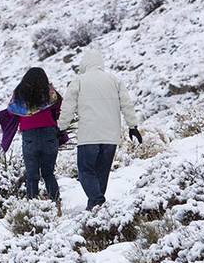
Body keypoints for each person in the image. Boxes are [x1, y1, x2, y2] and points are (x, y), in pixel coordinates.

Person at [59, 49, 142, 211]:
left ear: (85, 64)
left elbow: (68, 106)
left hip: (89, 136)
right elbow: (127, 104)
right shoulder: (114, 80)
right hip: (111, 137)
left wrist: (61, 127)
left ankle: (97, 202)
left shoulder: (79, 81)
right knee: (102, 173)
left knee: (85, 171)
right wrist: (133, 126)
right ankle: (96, 209)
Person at [0, 67, 65, 213]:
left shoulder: (20, 94)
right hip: (49, 135)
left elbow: (11, 110)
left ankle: (32, 210)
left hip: (29, 137)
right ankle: (56, 205)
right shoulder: (50, 93)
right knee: (48, 173)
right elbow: (60, 108)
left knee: (32, 175)